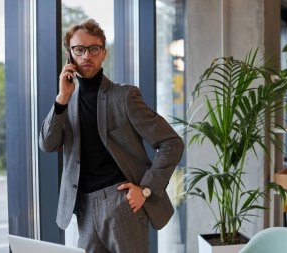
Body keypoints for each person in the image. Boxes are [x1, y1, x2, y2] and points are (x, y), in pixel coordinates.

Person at [39, 19, 184, 253]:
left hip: (121, 204)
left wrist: (145, 189)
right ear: (69, 55)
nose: (87, 56)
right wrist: (61, 99)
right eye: (79, 49)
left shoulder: (124, 96)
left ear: (103, 53)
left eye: (93, 49)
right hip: (83, 208)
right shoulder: (66, 101)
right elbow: (47, 144)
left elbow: (172, 143)